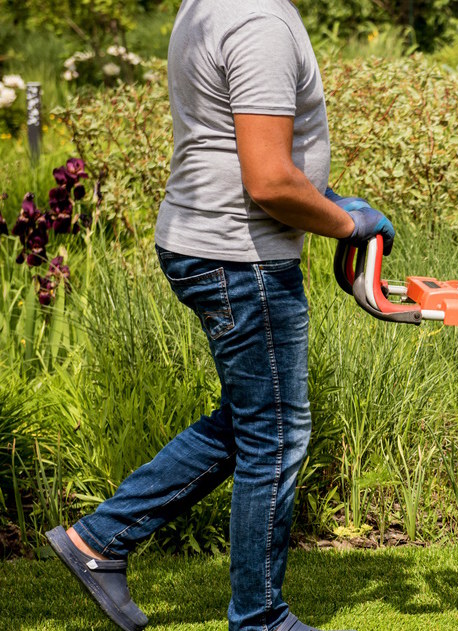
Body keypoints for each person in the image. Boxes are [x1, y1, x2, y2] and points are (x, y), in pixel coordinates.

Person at [43, 2, 394, 630]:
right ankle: (259, 620)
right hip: (241, 257)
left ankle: (99, 541)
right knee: (278, 436)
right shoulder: (260, 24)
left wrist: (325, 198)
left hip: (208, 241)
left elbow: (229, 141)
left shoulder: (212, 6)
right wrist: (348, 223)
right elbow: (267, 181)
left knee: (256, 421)